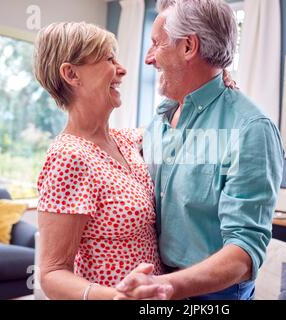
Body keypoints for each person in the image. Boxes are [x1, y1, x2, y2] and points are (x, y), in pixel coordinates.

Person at [114, 0, 285, 300]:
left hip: (214, 297)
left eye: (156, 44)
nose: (148, 59)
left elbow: (243, 253)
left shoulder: (250, 129)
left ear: (189, 47)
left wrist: (170, 286)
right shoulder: (158, 122)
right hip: (159, 281)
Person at [34, 22, 171, 300]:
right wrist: (116, 297)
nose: (122, 69)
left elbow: (173, 123)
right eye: (109, 59)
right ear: (71, 74)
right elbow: (51, 273)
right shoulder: (69, 157)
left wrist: (220, 77)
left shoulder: (125, 140)